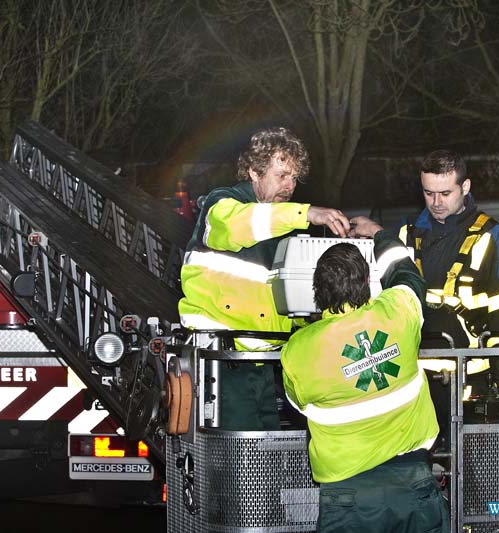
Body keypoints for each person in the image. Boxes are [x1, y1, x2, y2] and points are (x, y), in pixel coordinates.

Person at [281, 217, 450, 533]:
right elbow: (405, 273)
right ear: (368, 281)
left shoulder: (299, 350)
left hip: (347, 497)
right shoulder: (398, 312)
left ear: (318, 290)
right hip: (413, 483)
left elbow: (298, 405)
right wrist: (380, 234)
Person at [178, 126, 350, 430]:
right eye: (281, 176)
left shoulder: (283, 225)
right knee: (239, 466)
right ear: (254, 172)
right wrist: (306, 214)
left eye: (294, 178)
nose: (289, 186)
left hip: (263, 366)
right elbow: (235, 227)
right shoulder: (222, 203)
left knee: (264, 462)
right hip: (220, 363)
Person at [398, 149, 499, 353]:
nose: (436, 203)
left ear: (465, 187)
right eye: (428, 193)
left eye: (445, 193)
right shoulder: (407, 232)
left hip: (469, 370)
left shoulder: (489, 234)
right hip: (416, 369)